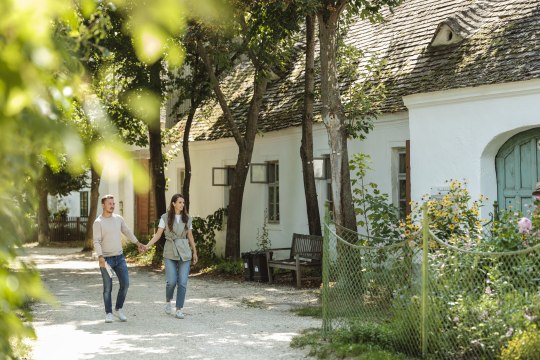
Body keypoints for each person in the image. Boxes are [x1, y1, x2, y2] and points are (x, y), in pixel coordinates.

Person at [144, 193, 198, 319]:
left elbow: (190, 236)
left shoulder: (187, 218)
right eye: (179, 202)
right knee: (171, 281)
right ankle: (168, 301)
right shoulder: (165, 217)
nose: (182, 205)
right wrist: (147, 246)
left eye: (183, 203)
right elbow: (158, 235)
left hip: (184, 251)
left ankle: (179, 309)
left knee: (183, 282)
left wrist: (194, 252)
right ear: (173, 203)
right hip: (170, 251)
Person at [93, 194, 144, 323]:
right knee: (107, 288)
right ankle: (108, 312)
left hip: (119, 257)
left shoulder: (118, 219)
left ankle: (118, 308)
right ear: (103, 205)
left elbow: (127, 232)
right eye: (109, 203)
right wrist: (100, 257)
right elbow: (97, 241)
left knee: (125, 284)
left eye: (113, 203)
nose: (112, 206)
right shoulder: (98, 222)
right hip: (106, 259)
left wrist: (138, 243)